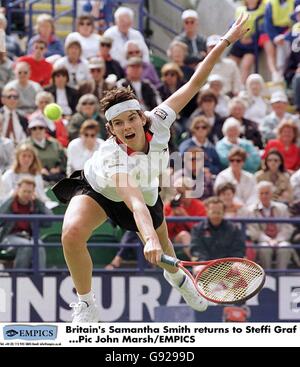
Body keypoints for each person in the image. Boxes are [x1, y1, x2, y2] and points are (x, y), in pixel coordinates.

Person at [52, 14, 249, 322]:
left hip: (145, 192)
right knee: (71, 233)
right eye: (118, 124)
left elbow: (196, 80)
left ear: (141, 115)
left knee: (165, 254)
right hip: (98, 189)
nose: (126, 126)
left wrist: (225, 41)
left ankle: (181, 281)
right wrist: (149, 239)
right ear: (111, 129)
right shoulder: (112, 156)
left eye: (130, 118)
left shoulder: (160, 120)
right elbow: (132, 204)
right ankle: (87, 305)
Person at [0, 177, 53, 269]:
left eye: (29, 192)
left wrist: (38, 202)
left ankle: (39, 277)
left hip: (29, 237)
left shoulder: (35, 205)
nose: (27, 194)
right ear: (18, 190)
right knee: (26, 246)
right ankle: (20, 278)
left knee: (39, 246)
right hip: (9, 238)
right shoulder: (9, 203)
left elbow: (49, 221)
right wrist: (11, 198)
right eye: (24, 191)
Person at [248, 181, 297, 269]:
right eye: (261, 193)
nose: (264, 196)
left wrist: (278, 240)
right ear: (258, 195)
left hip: (280, 239)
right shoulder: (251, 210)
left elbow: (287, 227)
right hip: (263, 241)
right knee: (264, 248)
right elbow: (254, 230)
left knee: (285, 247)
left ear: (271, 194)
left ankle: (281, 276)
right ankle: (267, 275)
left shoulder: (282, 208)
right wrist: (269, 240)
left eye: (267, 193)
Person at [190, 197, 245, 264]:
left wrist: (234, 263)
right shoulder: (197, 229)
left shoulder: (234, 229)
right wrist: (203, 262)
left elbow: (238, 249)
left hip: (230, 266)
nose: (216, 216)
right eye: (213, 212)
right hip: (205, 265)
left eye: (218, 213)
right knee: (198, 268)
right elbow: (196, 249)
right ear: (207, 211)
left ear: (223, 212)